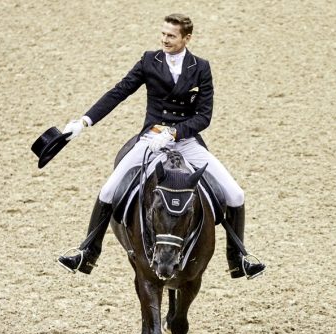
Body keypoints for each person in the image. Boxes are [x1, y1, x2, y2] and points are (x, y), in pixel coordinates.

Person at [57, 13, 265, 280]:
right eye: (163, 34)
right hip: (150, 140)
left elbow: (204, 116)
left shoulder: (200, 67)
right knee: (109, 189)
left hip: (186, 141)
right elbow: (119, 92)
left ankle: (239, 260)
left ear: (186, 38)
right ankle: (87, 253)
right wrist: (85, 121)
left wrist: (174, 133)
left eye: (171, 36)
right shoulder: (149, 61)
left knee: (235, 194)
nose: (165, 40)